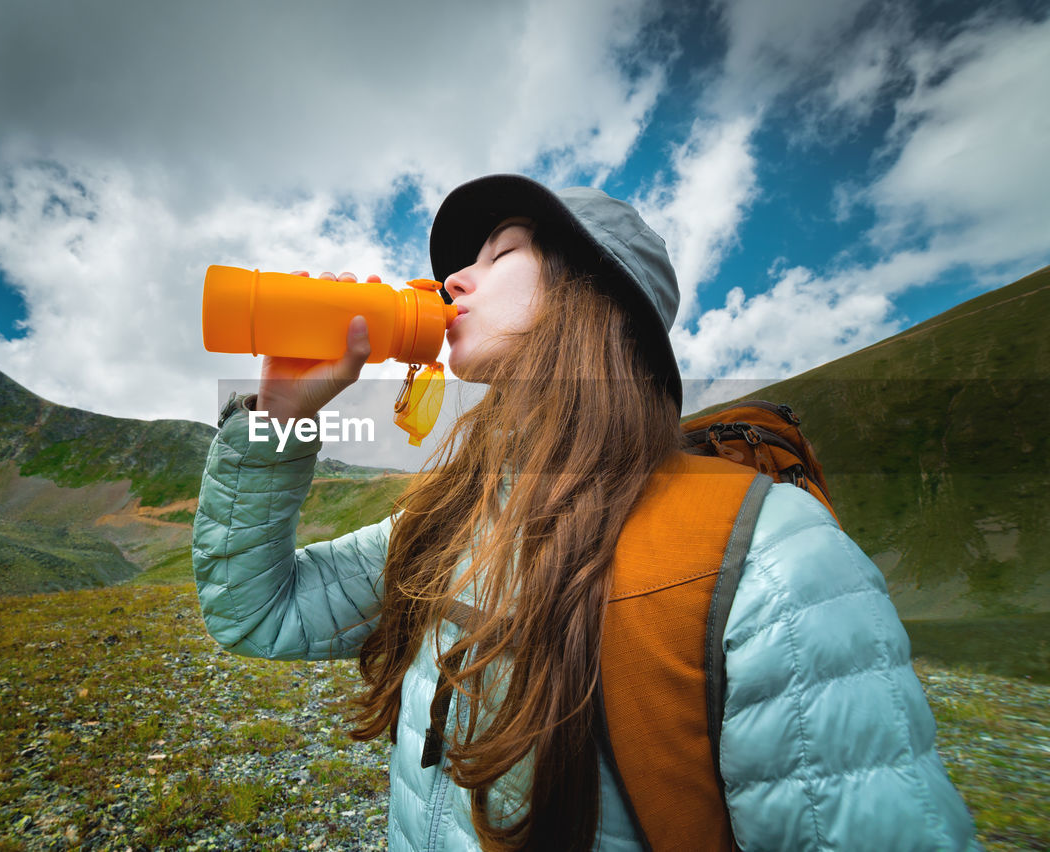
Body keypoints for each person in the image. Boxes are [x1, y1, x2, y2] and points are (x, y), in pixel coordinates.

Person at [192, 174, 979, 851]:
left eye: (499, 255)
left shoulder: (772, 558)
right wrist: (279, 416)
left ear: (594, 297)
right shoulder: (452, 521)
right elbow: (258, 611)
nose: (454, 281)